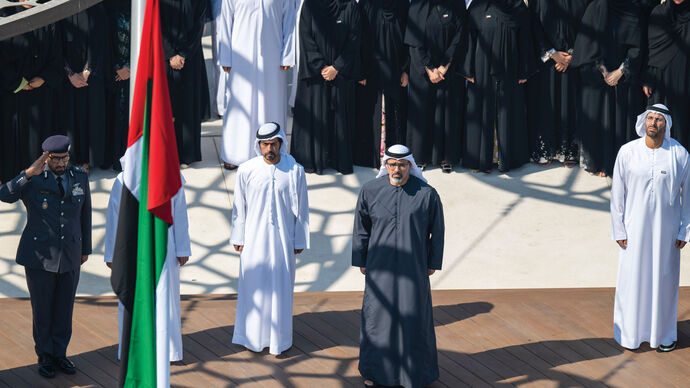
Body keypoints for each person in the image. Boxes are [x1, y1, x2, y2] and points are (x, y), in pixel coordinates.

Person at [352, 144, 444, 388]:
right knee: (377, 318)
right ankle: (375, 372)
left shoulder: (426, 193)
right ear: (386, 166)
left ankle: (415, 375)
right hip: (379, 267)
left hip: (413, 268)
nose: (397, 169)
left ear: (410, 166)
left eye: (402, 165)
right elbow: (361, 229)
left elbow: (438, 231)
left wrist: (433, 262)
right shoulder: (370, 191)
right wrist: (361, 259)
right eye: (392, 164)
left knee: (413, 319)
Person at [0, 135, 92, 378]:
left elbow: (86, 215)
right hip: (40, 256)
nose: (62, 163)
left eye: (65, 158)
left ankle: (60, 354)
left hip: (70, 254)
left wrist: (85, 249)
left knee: (64, 308)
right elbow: (4, 194)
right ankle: (45, 355)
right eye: (56, 159)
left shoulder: (79, 176)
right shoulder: (32, 179)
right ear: (46, 158)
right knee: (43, 309)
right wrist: (27, 173)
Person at [610, 104, 690, 352]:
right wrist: (619, 230)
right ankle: (630, 334)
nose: (653, 123)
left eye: (658, 119)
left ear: (666, 124)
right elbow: (617, 195)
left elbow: (687, 197)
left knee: (664, 282)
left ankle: (664, 335)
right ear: (643, 122)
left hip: (667, 235)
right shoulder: (627, 152)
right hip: (633, 232)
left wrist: (684, 231)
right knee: (632, 280)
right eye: (650, 118)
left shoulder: (679, 154)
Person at [230, 122, 310, 355]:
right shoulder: (246, 170)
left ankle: (279, 340)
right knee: (254, 286)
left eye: (273, 144)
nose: (269, 149)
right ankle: (252, 338)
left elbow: (302, 210)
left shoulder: (295, 170)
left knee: (280, 287)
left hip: (283, 241)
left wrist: (299, 240)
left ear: (280, 144)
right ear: (259, 145)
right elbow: (239, 207)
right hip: (253, 240)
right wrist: (239, 236)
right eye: (265, 144)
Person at [104, 171, 191, 361]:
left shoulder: (171, 174)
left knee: (165, 297)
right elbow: (114, 215)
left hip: (164, 246)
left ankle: (168, 350)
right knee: (132, 298)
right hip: (131, 248)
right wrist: (112, 253)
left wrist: (182, 247)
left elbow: (179, 210)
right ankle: (134, 350)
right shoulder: (123, 179)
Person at [215, 0, 296, 170]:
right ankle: (234, 154)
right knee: (239, 104)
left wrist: (287, 55)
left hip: (273, 60)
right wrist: (226, 56)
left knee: (271, 102)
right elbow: (225, 22)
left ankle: (272, 150)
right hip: (240, 59)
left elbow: (289, 20)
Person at [571, 0, 646, 177]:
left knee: (621, 122)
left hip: (624, 79)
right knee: (600, 121)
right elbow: (587, 45)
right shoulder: (596, 8)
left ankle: (620, 163)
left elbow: (638, 48)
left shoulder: (633, 10)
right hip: (598, 78)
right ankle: (601, 163)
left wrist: (621, 71)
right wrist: (604, 71)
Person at [462, 0, 534, 173]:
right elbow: (469, 38)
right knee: (482, 109)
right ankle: (482, 160)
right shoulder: (479, 6)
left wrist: (524, 71)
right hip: (482, 68)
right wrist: (468, 69)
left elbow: (525, 39)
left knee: (508, 110)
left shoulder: (518, 7)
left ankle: (506, 159)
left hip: (510, 68)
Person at [290, 0, 361, 175]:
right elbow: (306, 37)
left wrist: (337, 67)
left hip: (340, 74)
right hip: (315, 75)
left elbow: (354, 39)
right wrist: (322, 67)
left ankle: (338, 160)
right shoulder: (310, 5)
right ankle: (315, 160)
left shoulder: (350, 6)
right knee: (315, 114)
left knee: (339, 117)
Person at [527, 0, 591, 166]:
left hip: (574, 61)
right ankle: (544, 149)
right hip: (547, 62)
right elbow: (533, 23)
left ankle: (569, 150)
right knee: (546, 104)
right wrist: (552, 53)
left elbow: (590, 24)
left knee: (571, 103)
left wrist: (573, 55)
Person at [404, 0, 465, 173]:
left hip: (449, 71)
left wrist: (445, 65)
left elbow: (459, 35)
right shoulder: (416, 6)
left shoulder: (457, 4)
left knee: (447, 113)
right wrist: (429, 68)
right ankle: (420, 157)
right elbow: (414, 41)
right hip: (423, 72)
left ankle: (447, 157)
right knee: (422, 112)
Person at [353, 0, 410, 169]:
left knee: (395, 112)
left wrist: (406, 69)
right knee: (371, 112)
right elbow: (359, 36)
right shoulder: (366, 4)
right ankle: (370, 157)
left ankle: (393, 155)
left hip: (395, 68)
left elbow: (408, 38)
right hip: (371, 70)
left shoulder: (402, 5)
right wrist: (361, 70)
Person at [160, 0, 211, 166]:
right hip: (164, 58)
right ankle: (166, 154)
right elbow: (157, 24)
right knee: (167, 107)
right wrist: (170, 54)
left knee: (188, 105)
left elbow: (198, 26)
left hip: (191, 57)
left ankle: (186, 154)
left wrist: (183, 53)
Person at [60, 4, 109, 171]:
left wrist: (87, 70)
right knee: (71, 119)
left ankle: (87, 160)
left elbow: (101, 41)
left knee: (91, 116)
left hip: (91, 76)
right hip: (67, 77)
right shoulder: (60, 8)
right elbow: (56, 44)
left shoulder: (96, 6)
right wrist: (70, 74)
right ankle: (72, 160)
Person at [644, 0, 690, 149]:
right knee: (660, 119)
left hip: (686, 75)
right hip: (662, 77)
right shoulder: (660, 12)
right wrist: (648, 78)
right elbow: (652, 48)